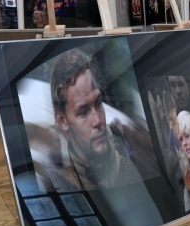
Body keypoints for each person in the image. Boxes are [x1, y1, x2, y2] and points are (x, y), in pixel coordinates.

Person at [41, 49, 144, 192]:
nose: (97, 121)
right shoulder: (58, 184)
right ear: (62, 120)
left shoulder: (131, 172)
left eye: (98, 103)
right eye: (83, 112)